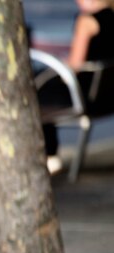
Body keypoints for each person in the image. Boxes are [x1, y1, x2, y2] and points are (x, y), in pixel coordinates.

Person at [41, 0, 114, 174]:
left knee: (37, 94)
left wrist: (61, 65)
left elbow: (75, 64)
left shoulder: (86, 21)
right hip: (108, 96)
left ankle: (50, 154)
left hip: (85, 95)